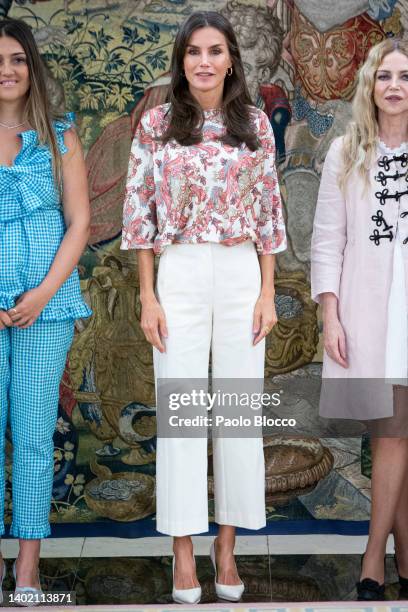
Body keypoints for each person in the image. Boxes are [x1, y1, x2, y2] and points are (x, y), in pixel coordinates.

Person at [121, 10, 286, 605]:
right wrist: (148, 294)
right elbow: (139, 214)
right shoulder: (158, 124)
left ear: (232, 59)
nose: (205, 62)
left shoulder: (254, 124)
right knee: (185, 415)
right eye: (194, 52)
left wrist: (267, 291)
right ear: (181, 60)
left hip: (243, 270)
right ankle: (184, 551)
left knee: (238, 417)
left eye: (215, 51)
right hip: (181, 269)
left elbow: (270, 211)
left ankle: (227, 544)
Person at [311, 38, 408, 601]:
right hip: (365, 311)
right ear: (369, 86)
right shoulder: (346, 152)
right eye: (384, 76)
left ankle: (373, 560)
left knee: (396, 436)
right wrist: (331, 315)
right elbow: (327, 241)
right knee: (391, 434)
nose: (394, 85)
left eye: (404, 76)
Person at [0, 18, 91, 604]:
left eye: (16, 59)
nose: (6, 70)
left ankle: (27, 568)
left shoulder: (61, 136)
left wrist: (42, 293)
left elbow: (80, 221)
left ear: (32, 68)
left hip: (45, 308)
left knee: (33, 436)